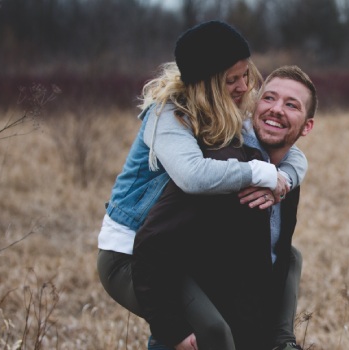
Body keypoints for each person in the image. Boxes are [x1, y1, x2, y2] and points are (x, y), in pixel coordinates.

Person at [96, 21, 307, 349]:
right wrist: (258, 173)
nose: (242, 87)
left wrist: (283, 181)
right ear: (208, 84)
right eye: (230, 79)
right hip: (132, 251)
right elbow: (192, 176)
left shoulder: (226, 108)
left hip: (175, 248)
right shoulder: (168, 115)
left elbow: (288, 152)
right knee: (209, 333)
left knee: (288, 258)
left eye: (245, 75)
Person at [133, 65, 317, 350]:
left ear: (307, 126)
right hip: (196, 338)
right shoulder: (222, 165)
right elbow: (152, 245)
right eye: (268, 98)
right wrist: (172, 330)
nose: (276, 109)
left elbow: (271, 260)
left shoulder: (285, 177)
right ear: (254, 105)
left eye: (291, 105)